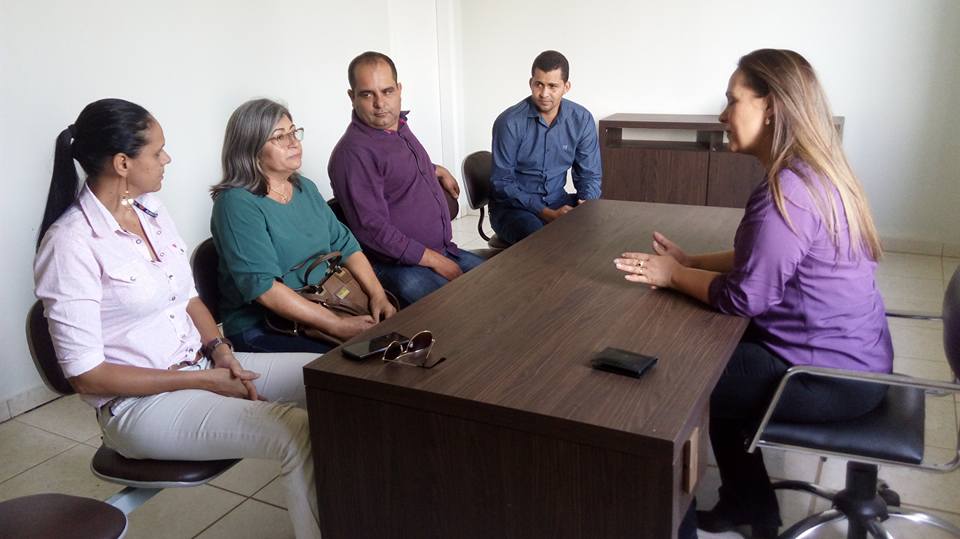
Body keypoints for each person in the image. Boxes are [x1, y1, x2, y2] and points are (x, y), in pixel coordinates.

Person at [614, 49, 892, 539]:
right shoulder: (814, 173)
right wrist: (692, 262)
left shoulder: (789, 192)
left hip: (827, 377)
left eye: (732, 100)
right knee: (712, 365)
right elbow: (763, 257)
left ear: (772, 108)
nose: (722, 115)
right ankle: (749, 508)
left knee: (675, 388)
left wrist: (672, 275)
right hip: (856, 360)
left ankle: (681, 526)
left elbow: (746, 297)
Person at [34, 99, 322, 538]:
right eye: (157, 151)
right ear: (123, 163)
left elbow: (187, 297)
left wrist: (220, 351)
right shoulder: (70, 244)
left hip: (200, 366)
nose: (167, 159)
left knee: (330, 379)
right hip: (138, 408)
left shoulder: (150, 209)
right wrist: (204, 381)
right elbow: (87, 377)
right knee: (294, 431)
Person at [211, 98, 396, 353]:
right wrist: (336, 325)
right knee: (357, 362)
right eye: (279, 137)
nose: (293, 142)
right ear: (251, 149)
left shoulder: (303, 187)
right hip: (265, 325)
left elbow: (346, 246)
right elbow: (264, 289)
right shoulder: (236, 204)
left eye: (293, 132)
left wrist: (378, 295)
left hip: (327, 300)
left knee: (395, 341)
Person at [328, 51, 484, 307]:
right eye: (367, 94)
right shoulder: (352, 154)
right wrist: (434, 260)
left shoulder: (397, 127)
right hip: (399, 265)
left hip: (441, 250)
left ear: (399, 89)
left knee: (499, 285)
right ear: (351, 96)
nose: (380, 103)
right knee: (460, 309)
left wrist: (434, 169)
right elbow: (372, 230)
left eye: (387, 91)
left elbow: (393, 169)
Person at [489, 50, 602, 245]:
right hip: (512, 208)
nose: (543, 93)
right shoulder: (509, 122)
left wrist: (585, 205)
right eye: (538, 84)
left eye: (552, 86)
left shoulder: (581, 119)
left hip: (557, 200)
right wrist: (547, 213)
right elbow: (502, 183)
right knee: (544, 240)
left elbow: (589, 175)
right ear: (530, 83)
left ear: (566, 87)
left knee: (603, 226)